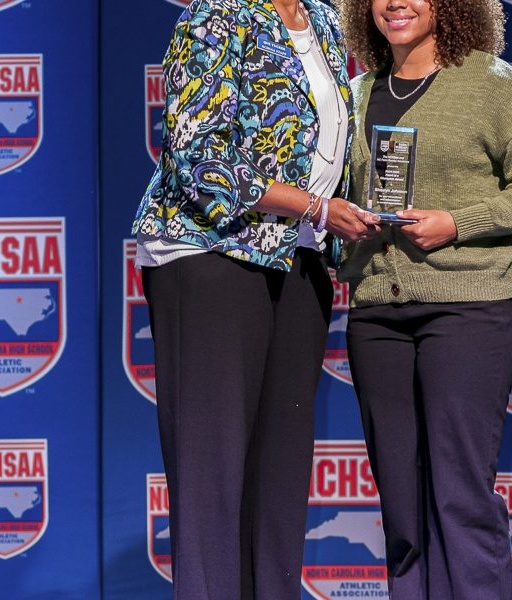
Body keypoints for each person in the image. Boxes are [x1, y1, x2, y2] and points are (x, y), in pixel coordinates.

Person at [131, 0, 379, 597]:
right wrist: (315, 206)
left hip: (299, 257)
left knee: (280, 471)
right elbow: (198, 157)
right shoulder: (216, 16)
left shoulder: (324, 21)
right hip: (211, 252)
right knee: (212, 471)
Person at [337, 0, 512, 598]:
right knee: (400, 501)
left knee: (461, 495)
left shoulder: (491, 83)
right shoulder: (354, 93)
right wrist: (346, 224)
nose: (395, 3)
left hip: (466, 310)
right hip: (376, 315)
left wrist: (457, 222)